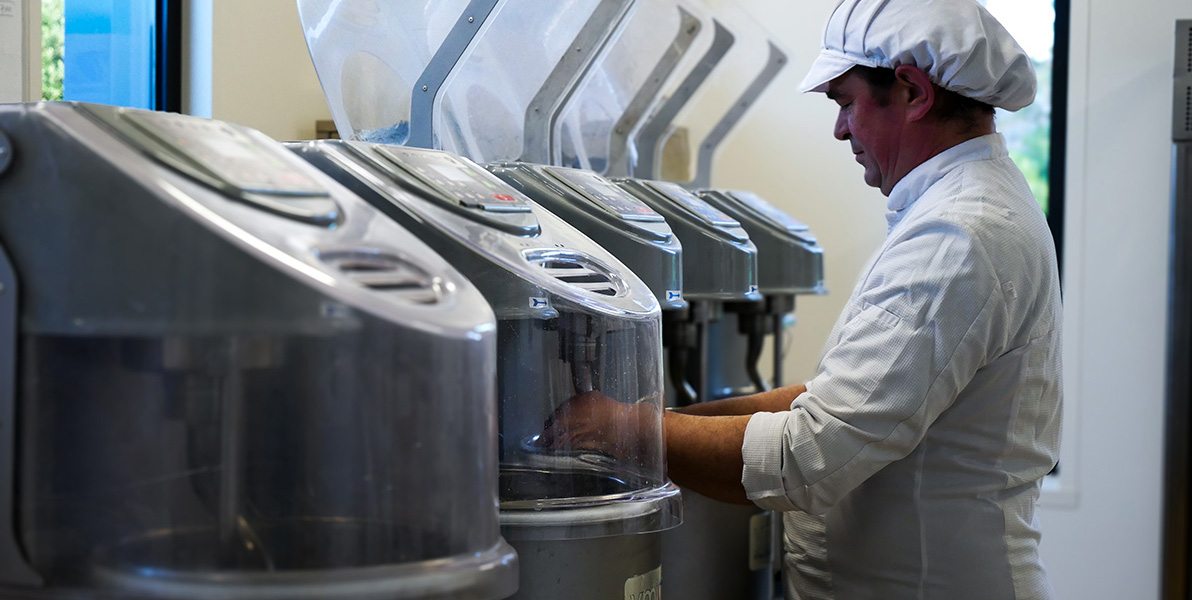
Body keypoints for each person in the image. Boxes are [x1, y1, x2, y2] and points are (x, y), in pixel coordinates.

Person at [540, 0, 1062, 598]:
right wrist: (670, 424)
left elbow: (809, 458)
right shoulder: (959, 212)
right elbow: (841, 399)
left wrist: (622, 430)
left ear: (913, 92)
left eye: (845, 102)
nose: (840, 129)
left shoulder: (960, 236)